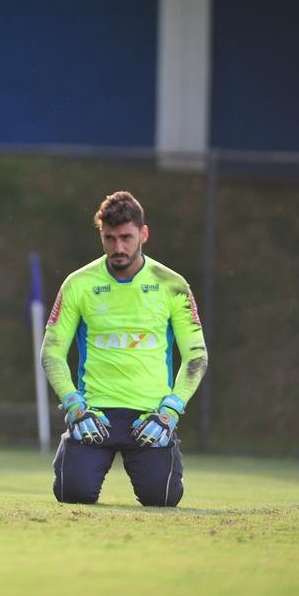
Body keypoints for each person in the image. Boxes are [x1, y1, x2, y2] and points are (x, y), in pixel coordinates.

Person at [40, 191, 209, 507]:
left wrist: (170, 411)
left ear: (143, 234)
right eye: (110, 238)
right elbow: (51, 352)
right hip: (95, 414)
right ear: (101, 236)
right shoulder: (78, 284)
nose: (118, 247)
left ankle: (163, 450)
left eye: (126, 237)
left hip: (151, 417)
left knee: (162, 498)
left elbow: (197, 357)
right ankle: (74, 448)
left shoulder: (172, 285)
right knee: (71, 494)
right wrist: (74, 406)